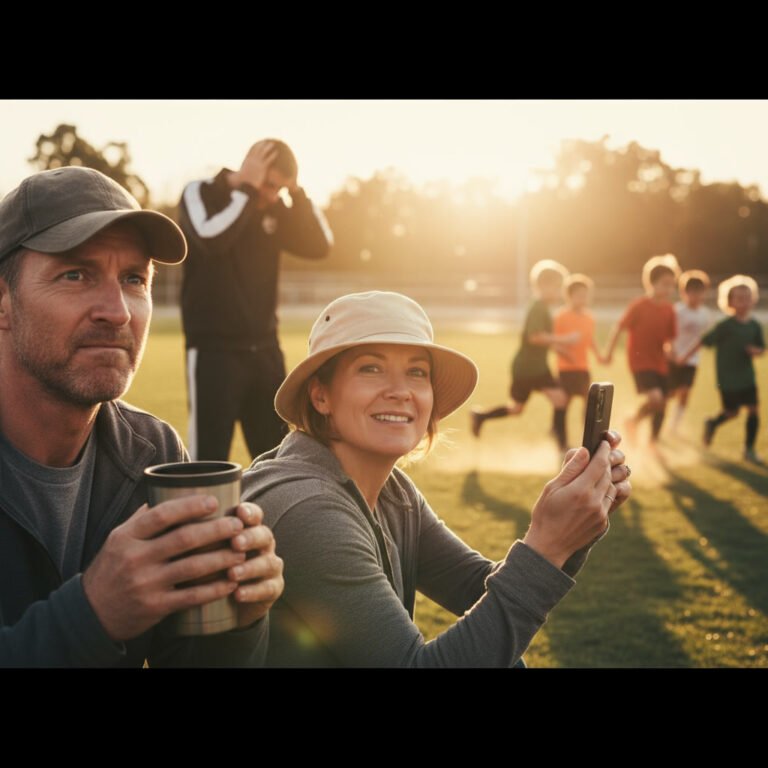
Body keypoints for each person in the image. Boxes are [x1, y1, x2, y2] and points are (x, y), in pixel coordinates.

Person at [241, 291, 632, 667]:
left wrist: (573, 529)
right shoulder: (305, 506)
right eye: (371, 368)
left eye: (416, 372)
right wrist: (546, 545)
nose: (400, 391)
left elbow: (478, 587)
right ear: (321, 396)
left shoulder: (393, 492)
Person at [0, 167, 283, 667]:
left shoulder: (153, 453)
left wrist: (237, 620)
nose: (118, 311)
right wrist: (92, 614)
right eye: (75, 275)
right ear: (3, 301)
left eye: (134, 279)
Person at [178, 139, 333, 461]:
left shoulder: (272, 207)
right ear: (250, 168)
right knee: (208, 462)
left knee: (280, 461)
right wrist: (247, 190)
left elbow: (320, 245)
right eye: (271, 184)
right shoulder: (202, 192)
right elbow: (210, 237)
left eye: (281, 189)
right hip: (213, 353)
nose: (273, 195)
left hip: (265, 352)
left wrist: (297, 193)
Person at [470, 260, 575, 451]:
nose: (560, 293)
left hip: (532, 367)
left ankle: (481, 416)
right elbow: (535, 337)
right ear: (544, 286)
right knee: (560, 399)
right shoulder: (538, 307)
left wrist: (560, 350)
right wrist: (564, 340)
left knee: (516, 409)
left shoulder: (542, 307)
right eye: (557, 287)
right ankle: (561, 443)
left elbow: (542, 338)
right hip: (530, 368)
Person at [679, 275, 765, 465]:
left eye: (747, 297)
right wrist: (684, 358)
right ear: (730, 302)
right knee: (732, 412)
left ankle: (749, 450)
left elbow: (762, 348)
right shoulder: (725, 326)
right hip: (727, 380)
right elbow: (703, 341)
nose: (744, 302)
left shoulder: (755, 326)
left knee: (753, 410)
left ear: (753, 299)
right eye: (739, 298)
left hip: (747, 378)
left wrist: (756, 351)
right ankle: (712, 423)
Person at [603, 254, 680, 445]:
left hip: (660, 362)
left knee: (662, 403)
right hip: (640, 361)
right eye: (665, 284)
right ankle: (634, 422)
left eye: (672, 285)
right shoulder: (639, 305)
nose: (669, 289)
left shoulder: (669, 309)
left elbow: (670, 338)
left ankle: (652, 440)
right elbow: (618, 328)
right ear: (651, 283)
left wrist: (671, 352)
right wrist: (609, 353)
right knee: (656, 398)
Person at [553, 273, 604, 419]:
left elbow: (590, 339)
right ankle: (557, 428)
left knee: (589, 400)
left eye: (585, 295)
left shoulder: (589, 317)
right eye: (579, 295)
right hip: (566, 368)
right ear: (569, 296)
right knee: (564, 401)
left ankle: (586, 429)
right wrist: (566, 355)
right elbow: (554, 343)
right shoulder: (561, 316)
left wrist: (598, 355)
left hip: (583, 367)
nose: (583, 298)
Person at [668, 270, 711, 435]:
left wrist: (687, 356)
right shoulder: (677, 311)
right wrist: (672, 353)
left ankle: (674, 426)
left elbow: (703, 339)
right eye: (692, 292)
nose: (696, 296)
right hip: (673, 358)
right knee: (670, 393)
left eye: (700, 292)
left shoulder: (705, 315)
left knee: (685, 392)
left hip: (692, 360)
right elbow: (668, 334)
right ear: (684, 292)